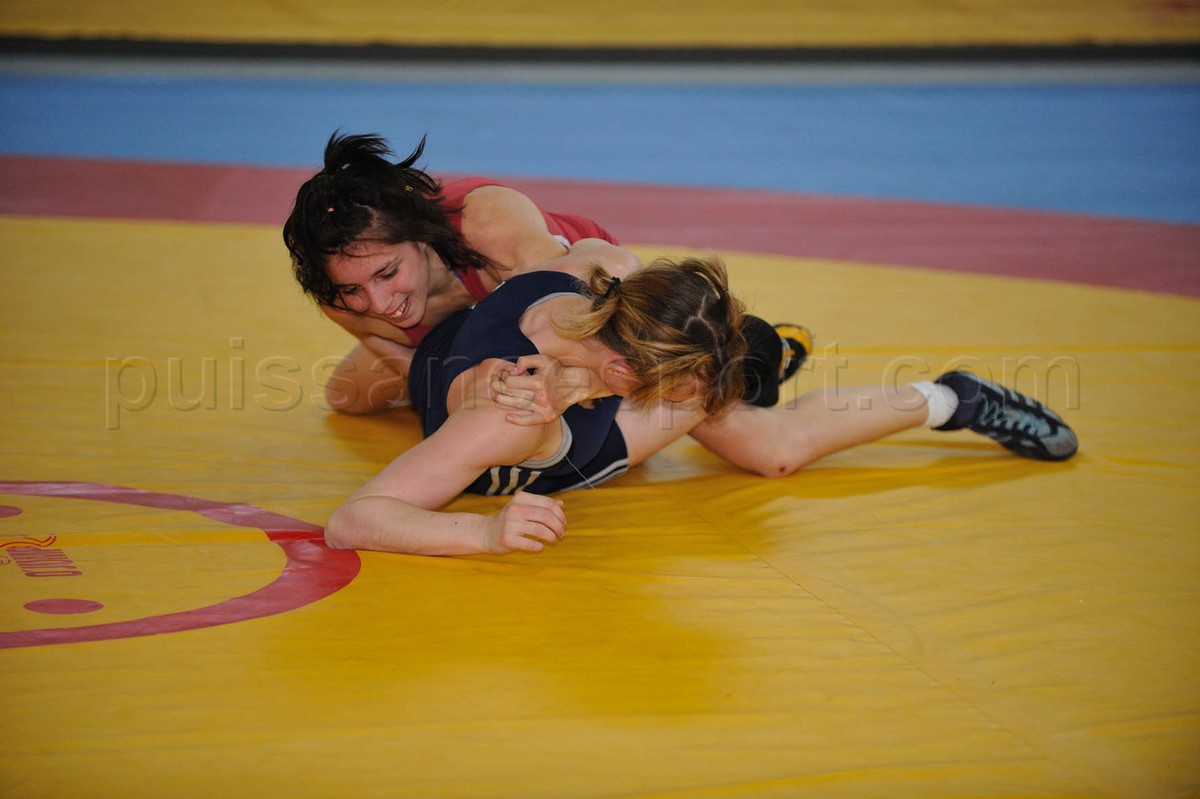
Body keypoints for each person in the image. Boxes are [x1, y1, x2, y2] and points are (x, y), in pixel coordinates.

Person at [323, 238, 1079, 557]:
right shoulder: (508, 411)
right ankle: (767, 361)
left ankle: (953, 399)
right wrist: (484, 534)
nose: (693, 397)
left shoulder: (598, 278)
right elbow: (353, 520)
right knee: (345, 396)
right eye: (683, 379)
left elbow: (627, 273)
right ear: (626, 367)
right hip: (513, 405)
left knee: (770, 450)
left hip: (556, 381)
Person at [282, 132, 808, 416]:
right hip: (471, 328)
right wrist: (449, 392)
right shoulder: (340, 294)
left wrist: (575, 384)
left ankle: (758, 353)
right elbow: (400, 356)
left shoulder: (487, 224)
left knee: (670, 387)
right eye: (353, 289)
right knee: (346, 398)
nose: (379, 305)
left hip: (586, 304)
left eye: (387, 272)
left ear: (417, 234)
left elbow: (592, 289)